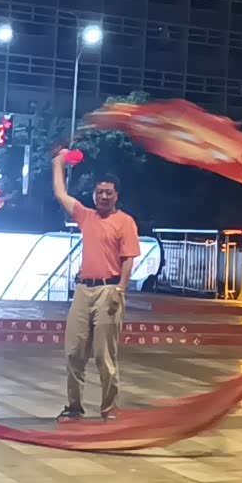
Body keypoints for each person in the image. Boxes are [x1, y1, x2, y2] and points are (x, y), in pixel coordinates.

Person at [51, 153, 140, 422]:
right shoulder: (86, 216)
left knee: (104, 355)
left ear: (116, 196)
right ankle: (74, 406)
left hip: (108, 290)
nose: (103, 196)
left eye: (108, 193)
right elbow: (61, 194)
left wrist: (120, 290)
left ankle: (109, 408)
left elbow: (128, 259)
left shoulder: (125, 221)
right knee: (74, 351)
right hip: (83, 289)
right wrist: (58, 164)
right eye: (99, 192)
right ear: (94, 194)